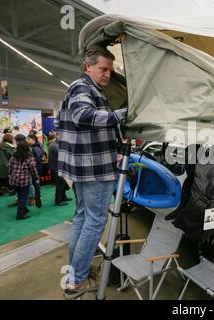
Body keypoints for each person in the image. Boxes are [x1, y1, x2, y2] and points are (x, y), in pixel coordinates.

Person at [57, 47, 127, 299]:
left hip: (83, 166)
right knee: (95, 221)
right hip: (94, 166)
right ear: (88, 67)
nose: (107, 74)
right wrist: (123, 115)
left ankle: (75, 273)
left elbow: (69, 120)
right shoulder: (82, 87)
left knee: (83, 217)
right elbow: (82, 115)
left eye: (110, 70)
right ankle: (76, 278)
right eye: (103, 69)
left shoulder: (88, 88)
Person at [8, 141, 40, 220]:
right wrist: (36, 179)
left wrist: (10, 176)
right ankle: (20, 215)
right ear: (27, 148)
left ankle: (24, 209)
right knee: (23, 197)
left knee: (20, 195)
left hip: (14, 180)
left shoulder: (13, 156)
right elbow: (33, 170)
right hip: (24, 181)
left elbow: (9, 168)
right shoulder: (29, 158)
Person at [48, 132, 69, 206]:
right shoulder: (54, 145)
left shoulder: (57, 144)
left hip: (60, 167)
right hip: (57, 167)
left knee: (63, 183)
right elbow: (62, 154)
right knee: (60, 184)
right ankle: (58, 200)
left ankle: (63, 197)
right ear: (57, 136)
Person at [26, 134, 44, 205]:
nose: (27, 141)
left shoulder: (35, 148)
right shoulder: (35, 147)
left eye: (28, 139)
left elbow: (37, 159)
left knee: (35, 183)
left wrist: (31, 163)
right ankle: (37, 198)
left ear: (33, 140)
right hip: (37, 168)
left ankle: (37, 199)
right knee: (35, 183)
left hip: (36, 168)